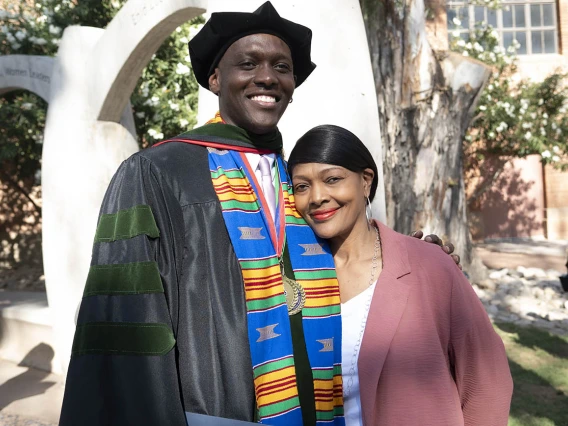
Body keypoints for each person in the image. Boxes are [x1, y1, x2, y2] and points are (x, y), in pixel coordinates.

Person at [59, 3, 459, 425]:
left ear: (292, 83)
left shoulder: (297, 182)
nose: (267, 77)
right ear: (215, 78)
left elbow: (349, 253)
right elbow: (127, 321)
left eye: (281, 66)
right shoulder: (158, 173)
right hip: (211, 413)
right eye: (247, 64)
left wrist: (411, 257)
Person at [287, 125, 513, 426]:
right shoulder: (290, 275)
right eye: (302, 187)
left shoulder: (428, 266)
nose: (317, 197)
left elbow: (487, 378)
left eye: (332, 179)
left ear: (366, 181)